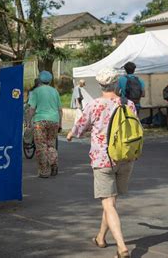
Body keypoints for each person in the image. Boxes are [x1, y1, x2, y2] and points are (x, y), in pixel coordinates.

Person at [66, 68, 138, 258]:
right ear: (117, 84)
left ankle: (122, 247)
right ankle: (100, 237)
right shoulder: (128, 104)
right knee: (111, 202)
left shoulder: (95, 104)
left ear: (100, 85)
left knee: (108, 204)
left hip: (103, 159)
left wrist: (71, 133)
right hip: (125, 157)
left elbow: (80, 127)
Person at [27, 71, 62, 178]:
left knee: (41, 146)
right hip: (54, 120)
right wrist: (60, 123)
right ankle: (54, 163)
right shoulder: (55, 92)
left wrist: (28, 121)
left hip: (40, 122)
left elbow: (32, 109)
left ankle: (44, 171)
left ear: (40, 80)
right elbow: (60, 109)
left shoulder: (36, 92)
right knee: (51, 144)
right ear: (50, 80)